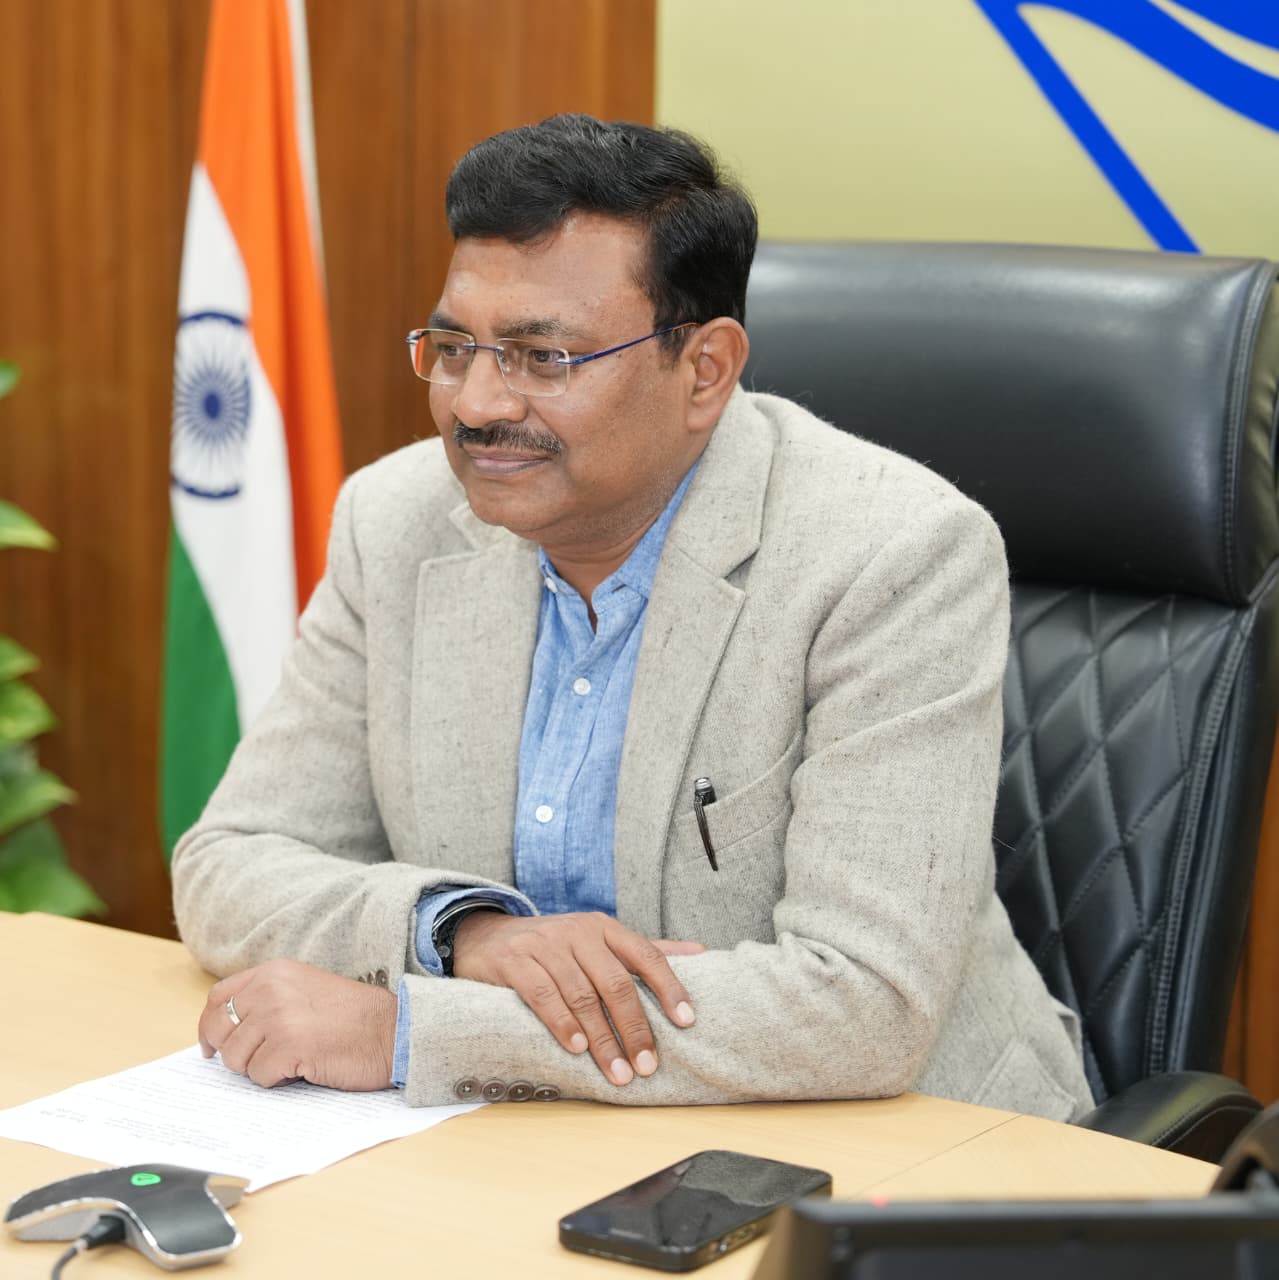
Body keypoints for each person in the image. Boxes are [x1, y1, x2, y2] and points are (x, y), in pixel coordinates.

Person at [173, 113, 1093, 1120]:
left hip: (902, 1145)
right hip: (540, 1141)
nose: (475, 404)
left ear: (704, 370)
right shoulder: (396, 522)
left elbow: (862, 1002)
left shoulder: (891, 553)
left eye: (542, 356)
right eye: (454, 347)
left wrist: (411, 1031)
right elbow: (229, 862)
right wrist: (465, 933)